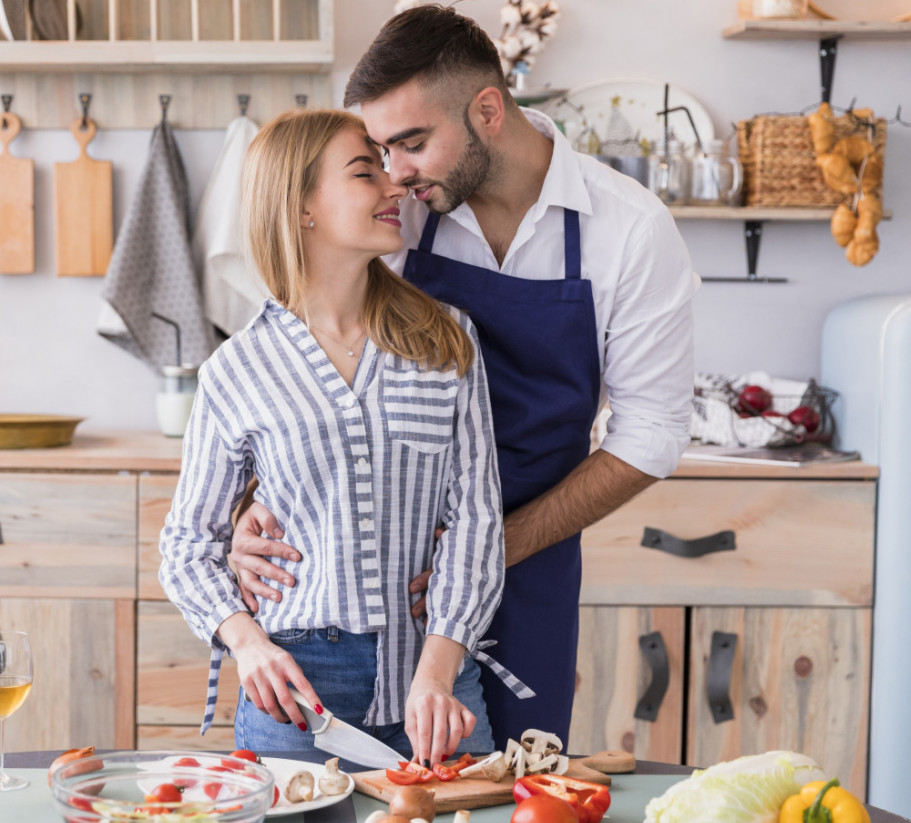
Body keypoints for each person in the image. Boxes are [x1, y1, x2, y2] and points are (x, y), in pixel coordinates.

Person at [231, 5, 698, 750]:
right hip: (368, 562)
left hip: (532, 553)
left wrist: (488, 549)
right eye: (381, 151)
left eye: (411, 143)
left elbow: (651, 435)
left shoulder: (628, 231)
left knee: (505, 786)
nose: (395, 172)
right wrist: (250, 506)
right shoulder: (399, 217)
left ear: (486, 110)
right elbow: (302, 360)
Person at [158, 108, 520, 766]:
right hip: (296, 696)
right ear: (301, 207)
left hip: (436, 682)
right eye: (365, 172)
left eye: (388, 168)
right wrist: (247, 643)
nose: (393, 186)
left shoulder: (445, 340)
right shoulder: (237, 369)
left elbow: (475, 520)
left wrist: (438, 671)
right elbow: (187, 546)